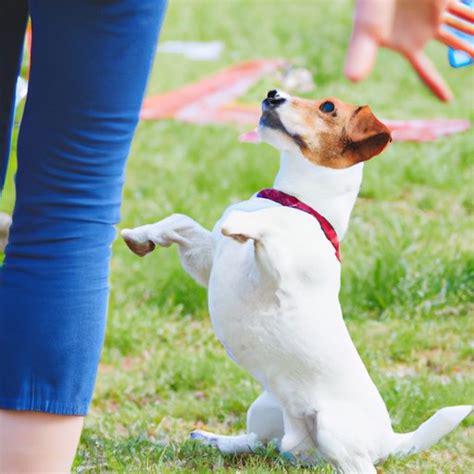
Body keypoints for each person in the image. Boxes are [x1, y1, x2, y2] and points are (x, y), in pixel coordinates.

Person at [0, 0, 470, 471]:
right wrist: (180, 233)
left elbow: (279, 268)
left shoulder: (305, 238)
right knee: (65, 218)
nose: (289, 101)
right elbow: (220, 269)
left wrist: (256, 228)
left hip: (338, 412)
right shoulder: (267, 211)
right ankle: (248, 440)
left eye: (325, 111)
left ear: (357, 147)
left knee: (64, 217)